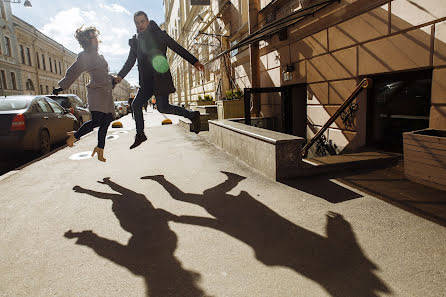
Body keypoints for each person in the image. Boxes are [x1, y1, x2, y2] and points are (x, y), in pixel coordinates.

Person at [115, 11, 205, 149]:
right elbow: (130, 61)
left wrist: (194, 61)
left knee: (163, 107)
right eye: (137, 22)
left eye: (142, 21)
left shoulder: (159, 35)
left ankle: (192, 115)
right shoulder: (135, 41)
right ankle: (140, 134)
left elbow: (176, 47)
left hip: (160, 78)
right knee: (136, 105)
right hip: (146, 82)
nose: (140, 25)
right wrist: (120, 76)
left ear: (147, 21)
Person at [53, 26, 115, 162]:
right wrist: (61, 87)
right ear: (87, 41)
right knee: (97, 121)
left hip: (106, 93)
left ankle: (100, 148)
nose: (96, 40)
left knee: (106, 121)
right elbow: (74, 71)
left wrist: (113, 79)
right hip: (96, 92)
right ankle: (74, 137)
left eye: (96, 36)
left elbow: (104, 74)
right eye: (93, 37)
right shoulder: (85, 56)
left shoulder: (99, 56)